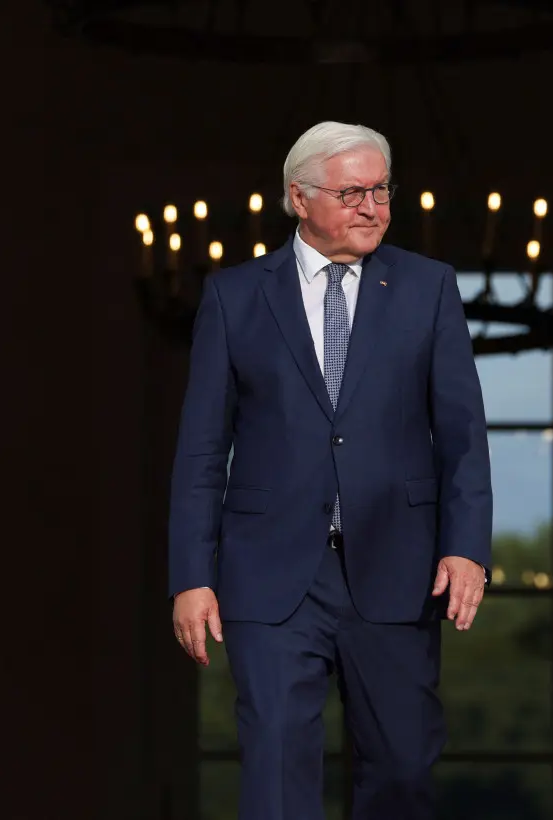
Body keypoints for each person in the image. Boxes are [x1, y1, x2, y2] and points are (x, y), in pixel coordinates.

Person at [167, 120, 493, 820]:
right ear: (299, 198)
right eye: (352, 192)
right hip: (272, 573)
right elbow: (200, 449)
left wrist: (466, 547)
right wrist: (193, 574)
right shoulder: (235, 296)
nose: (372, 207)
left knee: (403, 770)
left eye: (381, 189)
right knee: (277, 774)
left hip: (399, 565)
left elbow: (463, 432)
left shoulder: (427, 287)